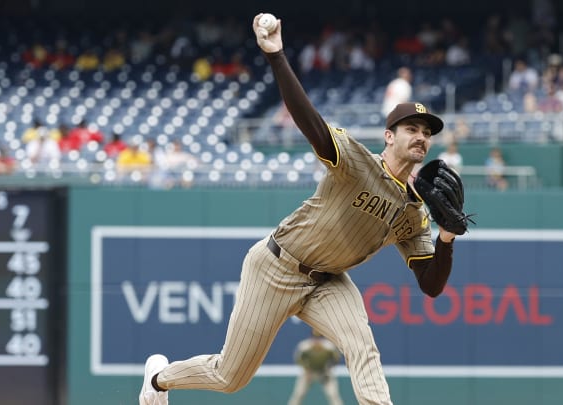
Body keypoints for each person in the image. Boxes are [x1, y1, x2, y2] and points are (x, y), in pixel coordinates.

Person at [139, 13, 459, 405]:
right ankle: (158, 380)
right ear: (389, 136)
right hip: (277, 267)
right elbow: (310, 122)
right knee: (230, 376)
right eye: (412, 129)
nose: (422, 137)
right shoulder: (357, 161)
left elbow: (431, 284)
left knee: (362, 345)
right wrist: (277, 57)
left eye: (427, 133)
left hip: (328, 280)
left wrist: (446, 238)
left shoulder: (414, 212)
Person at [287, 330, 344, 405]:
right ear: (311, 338)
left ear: (322, 338)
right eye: (315, 338)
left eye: (319, 338)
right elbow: (298, 359)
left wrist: (328, 368)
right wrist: (307, 370)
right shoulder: (305, 346)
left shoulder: (329, 347)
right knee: (299, 393)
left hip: (324, 373)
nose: (317, 340)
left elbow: (336, 359)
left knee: (333, 394)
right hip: (309, 373)